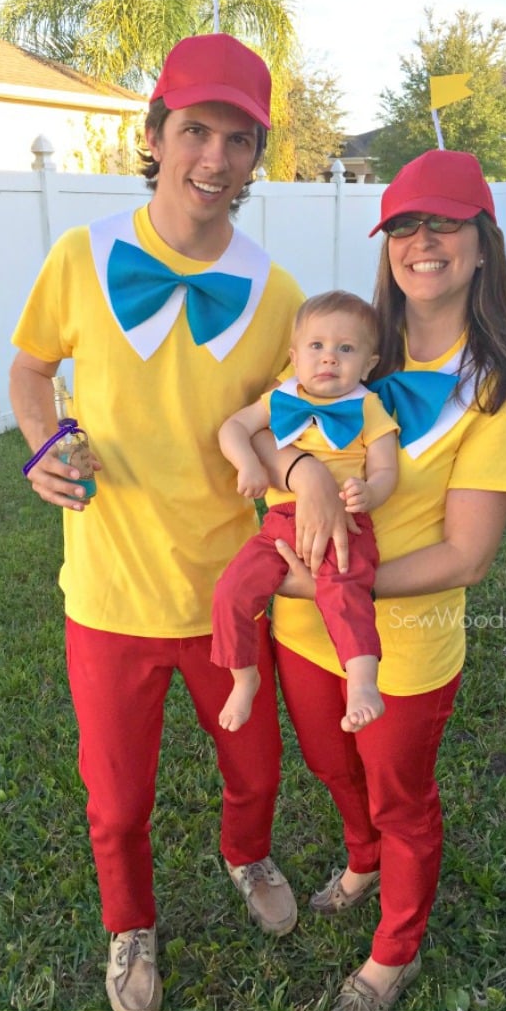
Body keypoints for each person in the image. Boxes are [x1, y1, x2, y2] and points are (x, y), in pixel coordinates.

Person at [9, 33, 304, 1011]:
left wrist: (285, 476)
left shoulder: (278, 295)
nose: (213, 157)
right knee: (119, 798)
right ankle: (129, 923)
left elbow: (290, 428)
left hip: (229, 593)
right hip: (107, 593)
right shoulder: (83, 256)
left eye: (237, 138)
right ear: (154, 133)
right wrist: (45, 442)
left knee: (255, 770)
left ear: (256, 156)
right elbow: (28, 365)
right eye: (195, 130)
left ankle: (245, 853)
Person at [266, 149, 506, 1011]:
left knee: (401, 796)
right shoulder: (351, 343)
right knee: (329, 763)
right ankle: (359, 855)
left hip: (402, 649)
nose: (424, 242)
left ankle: (396, 949)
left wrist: (332, 588)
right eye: (405, 226)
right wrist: (304, 468)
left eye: (445, 223)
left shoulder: (496, 388)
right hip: (300, 632)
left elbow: (467, 556)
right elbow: (268, 428)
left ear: (482, 243)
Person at [212, 291, 400, 735]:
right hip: (280, 527)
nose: (329, 358)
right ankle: (244, 676)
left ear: (369, 364)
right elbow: (233, 428)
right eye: (316, 346)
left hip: (346, 527)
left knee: (346, 590)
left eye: (346, 349)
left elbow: (387, 467)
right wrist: (248, 463)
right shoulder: (281, 396)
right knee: (231, 590)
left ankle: (362, 683)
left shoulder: (367, 406)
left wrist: (370, 491)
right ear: (295, 356)